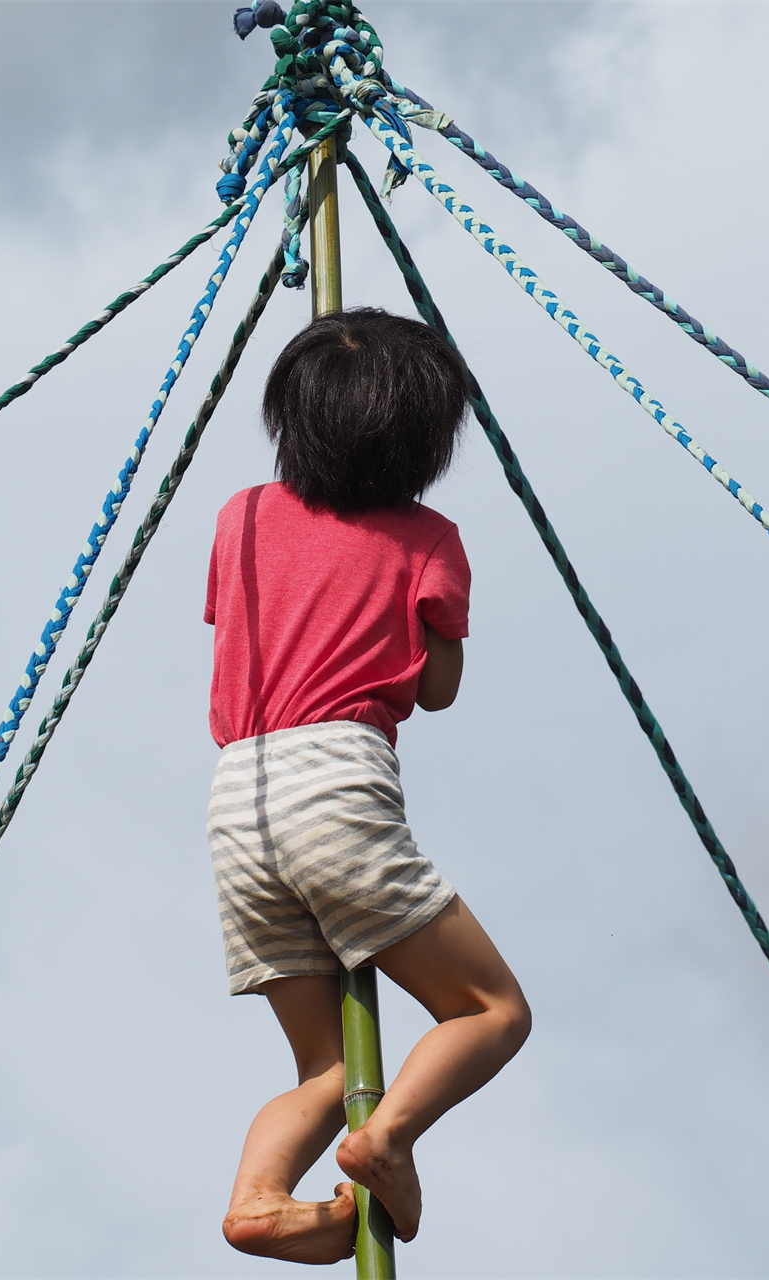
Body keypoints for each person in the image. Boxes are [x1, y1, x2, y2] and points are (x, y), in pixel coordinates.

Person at [205, 308, 530, 1265]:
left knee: (330, 1065)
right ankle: (388, 1138)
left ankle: (260, 1196)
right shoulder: (429, 538)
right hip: (334, 787)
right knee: (489, 1011)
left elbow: (233, 617)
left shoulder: (243, 514)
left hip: (235, 801)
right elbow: (436, 692)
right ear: (427, 444)